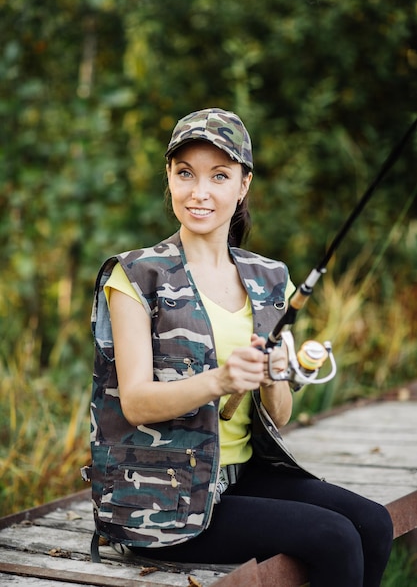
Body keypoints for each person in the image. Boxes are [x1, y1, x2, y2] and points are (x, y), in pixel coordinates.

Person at [88, 108, 393, 586]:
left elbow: (283, 413)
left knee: (374, 523)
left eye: (220, 175)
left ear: (243, 184)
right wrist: (220, 380)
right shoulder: (136, 275)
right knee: (334, 537)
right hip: (165, 497)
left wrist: (273, 375)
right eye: (185, 173)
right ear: (168, 176)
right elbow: (136, 403)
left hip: (242, 477)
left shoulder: (270, 279)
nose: (200, 192)